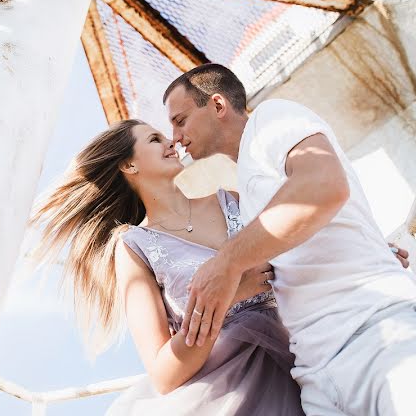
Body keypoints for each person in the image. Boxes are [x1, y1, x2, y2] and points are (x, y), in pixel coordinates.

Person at [164, 63, 416, 416]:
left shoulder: (271, 118)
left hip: (379, 331)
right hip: (317, 380)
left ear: (218, 106)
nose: (175, 137)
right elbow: (294, 239)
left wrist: (226, 262)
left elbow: (323, 186)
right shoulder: (248, 189)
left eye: (180, 120)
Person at [30, 119, 305, 415]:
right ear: (129, 165)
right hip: (224, 395)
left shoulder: (233, 200)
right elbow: (163, 374)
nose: (171, 142)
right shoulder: (134, 246)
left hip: (299, 353)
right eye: (154, 139)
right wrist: (227, 295)